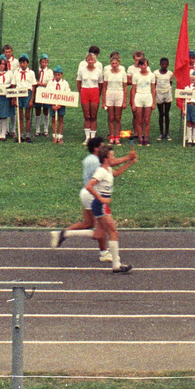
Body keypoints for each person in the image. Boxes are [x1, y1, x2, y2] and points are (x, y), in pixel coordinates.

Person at [52, 134, 123, 263]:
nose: (104, 150)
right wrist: (128, 157)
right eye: (102, 147)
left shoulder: (92, 159)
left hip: (88, 194)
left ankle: (63, 233)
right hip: (92, 194)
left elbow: (114, 171)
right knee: (99, 229)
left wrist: (129, 162)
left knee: (88, 223)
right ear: (96, 149)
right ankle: (103, 253)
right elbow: (110, 163)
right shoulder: (95, 161)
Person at [83, 144, 137, 273]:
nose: (114, 158)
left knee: (100, 233)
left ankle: (66, 233)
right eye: (112, 156)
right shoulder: (101, 171)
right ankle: (116, 265)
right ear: (106, 158)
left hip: (102, 205)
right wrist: (101, 199)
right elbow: (89, 186)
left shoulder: (107, 170)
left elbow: (117, 173)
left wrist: (130, 162)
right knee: (113, 232)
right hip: (101, 205)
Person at [76, 46, 103, 142]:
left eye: (92, 60)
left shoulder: (99, 71)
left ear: (95, 61)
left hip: (94, 92)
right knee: (87, 115)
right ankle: (87, 137)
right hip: (85, 91)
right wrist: (81, 92)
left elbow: (101, 83)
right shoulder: (82, 70)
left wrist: (98, 93)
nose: (90, 61)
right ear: (86, 61)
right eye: (88, 60)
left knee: (94, 115)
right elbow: (78, 81)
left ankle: (93, 136)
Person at [129, 54, 156, 146]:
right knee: (139, 120)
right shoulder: (136, 75)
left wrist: (153, 102)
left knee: (147, 120)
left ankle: (146, 138)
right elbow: (133, 90)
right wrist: (133, 103)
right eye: (141, 65)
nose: (143, 66)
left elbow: (153, 89)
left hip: (148, 97)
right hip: (138, 97)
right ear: (139, 66)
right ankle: (140, 138)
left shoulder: (151, 75)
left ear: (147, 65)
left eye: (145, 65)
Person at [101, 51, 127, 143]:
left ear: (119, 64)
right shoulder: (107, 73)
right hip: (110, 94)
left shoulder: (123, 73)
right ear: (110, 64)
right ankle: (112, 136)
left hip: (119, 94)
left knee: (118, 117)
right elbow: (104, 87)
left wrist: (124, 101)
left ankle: (117, 136)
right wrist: (103, 101)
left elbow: (125, 88)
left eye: (116, 63)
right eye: (113, 63)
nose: (114, 65)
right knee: (111, 117)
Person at [0, 55, 15, 141]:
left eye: (3, 64)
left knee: (4, 115)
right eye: (0, 64)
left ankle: (3, 133)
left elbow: (13, 86)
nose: (2, 66)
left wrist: (13, 98)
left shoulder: (10, 73)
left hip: (6, 96)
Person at [46, 65, 70, 143]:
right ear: (53, 74)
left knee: (60, 119)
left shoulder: (65, 83)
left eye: (59, 75)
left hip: (61, 105)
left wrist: (60, 105)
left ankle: (60, 136)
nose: (57, 77)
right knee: (53, 119)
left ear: (62, 74)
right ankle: (54, 135)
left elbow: (67, 94)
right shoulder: (50, 83)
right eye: (56, 75)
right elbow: (47, 94)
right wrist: (52, 105)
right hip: (52, 104)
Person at [181, 70, 195, 147]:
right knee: (189, 122)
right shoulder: (187, 88)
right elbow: (184, 99)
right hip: (189, 106)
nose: (194, 81)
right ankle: (189, 140)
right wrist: (184, 109)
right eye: (193, 80)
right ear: (190, 80)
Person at [154, 57, 174, 142]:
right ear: (160, 64)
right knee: (161, 114)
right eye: (162, 64)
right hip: (159, 93)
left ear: (168, 64)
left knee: (167, 113)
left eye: (165, 64)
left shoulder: (170, 73)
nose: (164, 65)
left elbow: (170, 82)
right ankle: (161, 133)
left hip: (167, 93)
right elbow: (154, 83)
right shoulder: (155, 73)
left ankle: (167, 133)